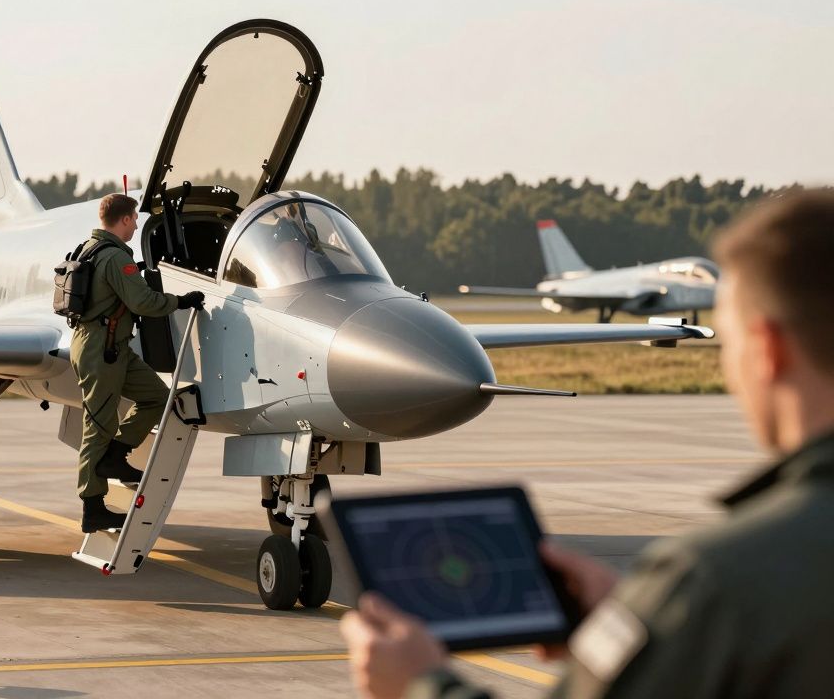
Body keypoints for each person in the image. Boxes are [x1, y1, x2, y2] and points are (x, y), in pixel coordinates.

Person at [341, 188, 834, 698]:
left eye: (732, 340)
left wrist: (420, 684)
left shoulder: (716, 585)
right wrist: (629, 627)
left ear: (769, 350)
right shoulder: (713, 592)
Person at [72, 193, 203, 533]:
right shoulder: (115, 257)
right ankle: (92, 507)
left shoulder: (89, 248)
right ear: (126, 220)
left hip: (110, 346)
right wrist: (181, 301)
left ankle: (117, 454)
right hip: (101, 350)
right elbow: (142, 301)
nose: (137, 226)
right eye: (135, 219)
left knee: (157, 397)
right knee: (97, 426)